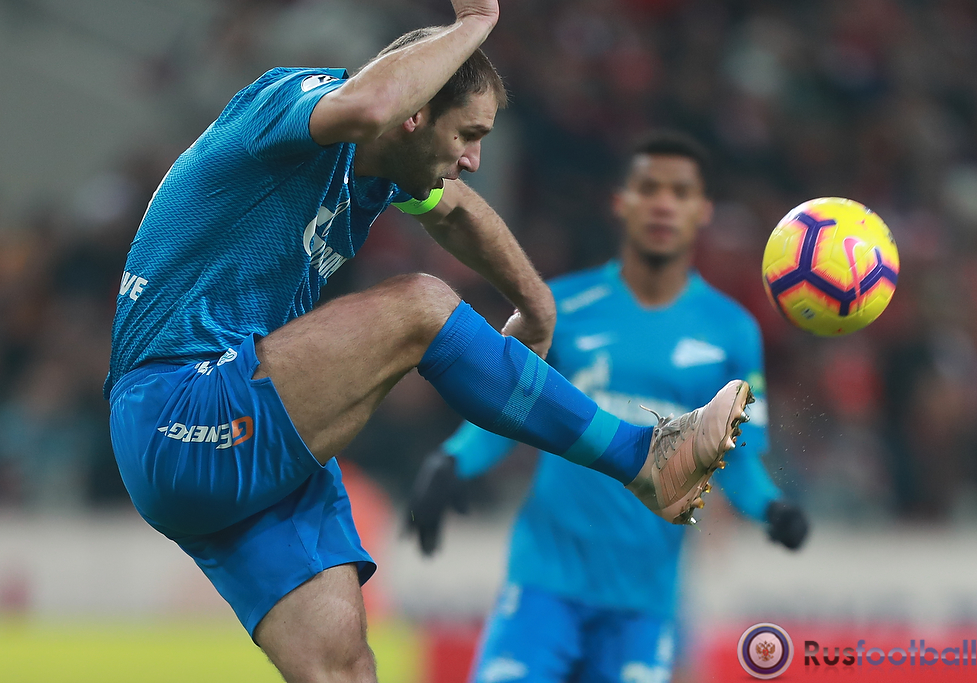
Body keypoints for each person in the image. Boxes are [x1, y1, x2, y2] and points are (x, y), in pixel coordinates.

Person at [104, 1, 751, 679]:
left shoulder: (379, 170)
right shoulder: (285, 105)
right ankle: (640, 457)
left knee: (342, 667)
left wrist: (537, 306)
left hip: (250, 434)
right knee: (419, 307)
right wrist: (473, 25)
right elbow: (369, 104)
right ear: (414, 114)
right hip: (178, 409)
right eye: (467, 133)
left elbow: (458, 214)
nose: (473, 159)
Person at [406, 132, 809, 683]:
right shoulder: (560, 305)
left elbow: (734, 459)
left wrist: (773, 510)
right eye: (649, 188)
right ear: (622, 202)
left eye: (680, 192)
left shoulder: (731, 332)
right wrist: (452, 460)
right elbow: (514, 408)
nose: (663, 204)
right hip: (545, 584)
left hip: (644, 602)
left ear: (703, 211)